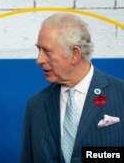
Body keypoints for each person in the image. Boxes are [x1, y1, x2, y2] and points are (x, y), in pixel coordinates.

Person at [20, 13, 124, 163]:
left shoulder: (120, 94)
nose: (39, 60)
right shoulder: (36, 105)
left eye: (47, 51)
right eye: (39, 50)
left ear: (75, 54)